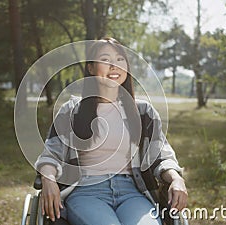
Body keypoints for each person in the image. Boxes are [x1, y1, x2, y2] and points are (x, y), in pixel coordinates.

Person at [35, 37, 187, 225]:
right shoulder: (72, 111)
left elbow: (161, 156)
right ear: (90, 68)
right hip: (86, 192)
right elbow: (51, 155)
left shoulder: (143, 112)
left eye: (120, 59)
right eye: (105, 60)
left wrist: (176, 178)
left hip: (131, 192)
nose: (114, 66)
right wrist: (48, 179)